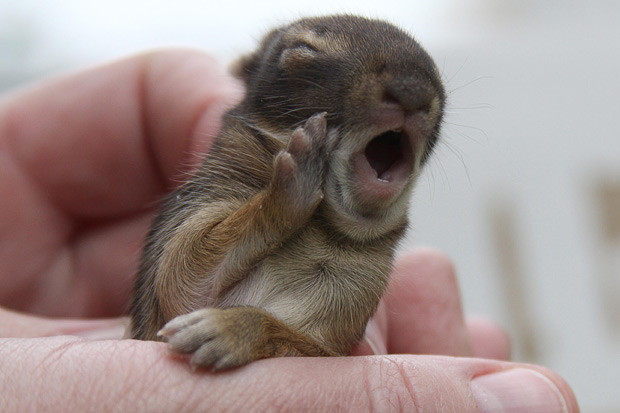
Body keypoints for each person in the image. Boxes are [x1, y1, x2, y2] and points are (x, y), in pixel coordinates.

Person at [0, 49, 578, 412]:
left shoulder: (362, 266)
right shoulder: (233, 176)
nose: (407, 97)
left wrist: (260, 332)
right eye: (305, 56)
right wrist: (272, 214)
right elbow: (181, 298)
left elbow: (317, 356)